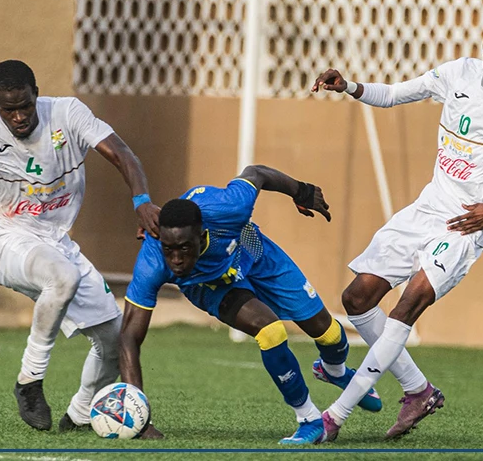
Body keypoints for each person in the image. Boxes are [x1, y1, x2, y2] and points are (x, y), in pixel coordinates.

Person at [309, 5, 483, 441]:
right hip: (426, 208)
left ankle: (334, 416)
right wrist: (348, 86)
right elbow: (391, 95)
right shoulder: (456, 74)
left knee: (409, 303)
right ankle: (418, 390)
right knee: (357, 297)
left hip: (467, 226)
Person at [0, 59, 161, 432]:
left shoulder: (67, 113)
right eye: (8, 109)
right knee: (62, 277)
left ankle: (80, 415)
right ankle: (30, 382)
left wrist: (142, 201)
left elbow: (122, 155)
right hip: (6, 240)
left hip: (58, 242)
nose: (19, 117)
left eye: (25, 106)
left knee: (114, 339)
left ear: (36, 94)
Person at [119, 165, 382, 444]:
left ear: (202, 234)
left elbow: (256, 173)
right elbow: (128, 337)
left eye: (184, 248)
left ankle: (333, 370)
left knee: (328, 333)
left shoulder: (228, 208)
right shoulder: (152, 259)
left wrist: (301, 191)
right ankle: (308, 418)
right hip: (210, 286)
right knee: (270, 331)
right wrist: (140, 414)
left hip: (255, 253)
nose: (176, 260)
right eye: (168, 250)